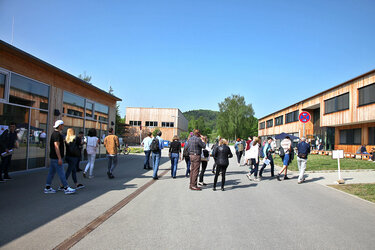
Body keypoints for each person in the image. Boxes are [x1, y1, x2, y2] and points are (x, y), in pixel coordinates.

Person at [44, 120, 75, 194]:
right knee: (61, 173)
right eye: (62, 125)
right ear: (60, 125)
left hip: (53, 157)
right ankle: (66, 187)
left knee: (51, 173)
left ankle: (47, 187)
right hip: (56, 158)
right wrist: (59, 158)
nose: (63, 126)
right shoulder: (57, 134)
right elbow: (56, 146)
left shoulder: (55, 134)